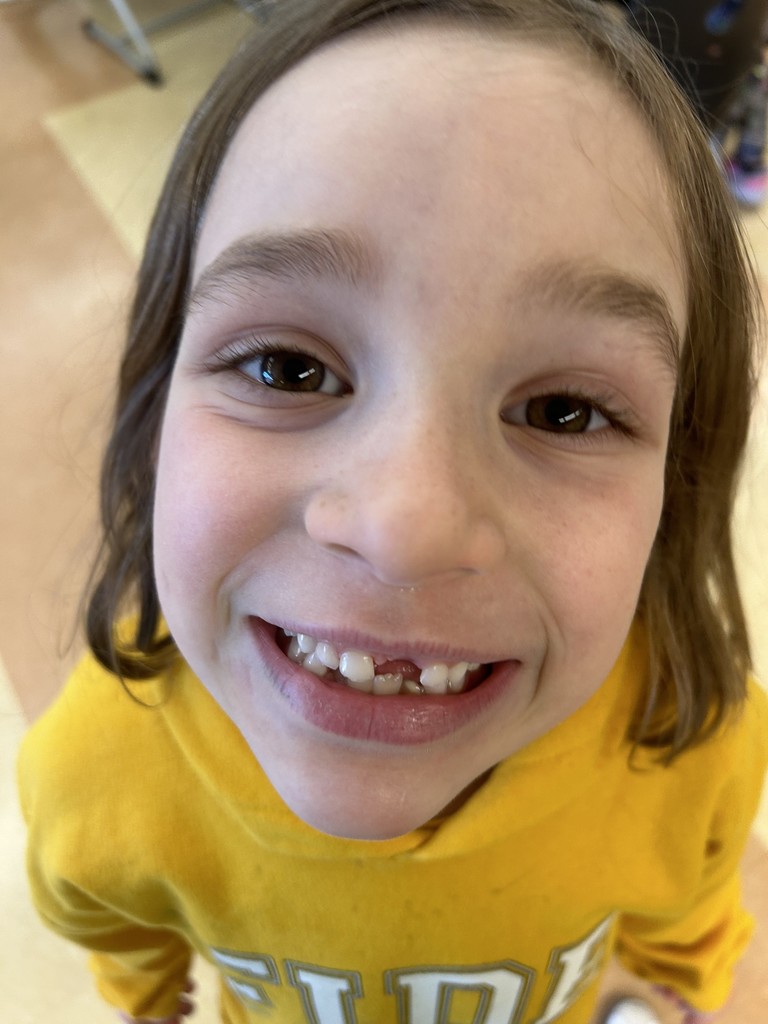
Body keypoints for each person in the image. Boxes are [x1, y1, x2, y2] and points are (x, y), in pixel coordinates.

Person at [17, 2, 768, 1023]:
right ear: (154, 411)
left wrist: (678, 984)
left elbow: (693, 911)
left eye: (564, 411)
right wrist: (150, 1003)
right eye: (287, 369)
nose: (404, 531)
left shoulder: (690, 745)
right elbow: (112, 924)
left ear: (678, 483)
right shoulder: (96, 778)